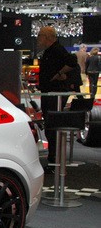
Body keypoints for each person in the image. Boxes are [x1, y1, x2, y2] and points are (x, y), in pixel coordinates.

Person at [37, 25, 78, 167]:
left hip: (54, 94)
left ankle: (54, 158)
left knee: (52, 125)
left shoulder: (57, 50)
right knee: (50, 125)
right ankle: (53, 156)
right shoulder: (50, 51)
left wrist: (60, 74)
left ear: (47, 37)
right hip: (49, 93)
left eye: (40, 35)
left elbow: (73, 63)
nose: (38, 39)